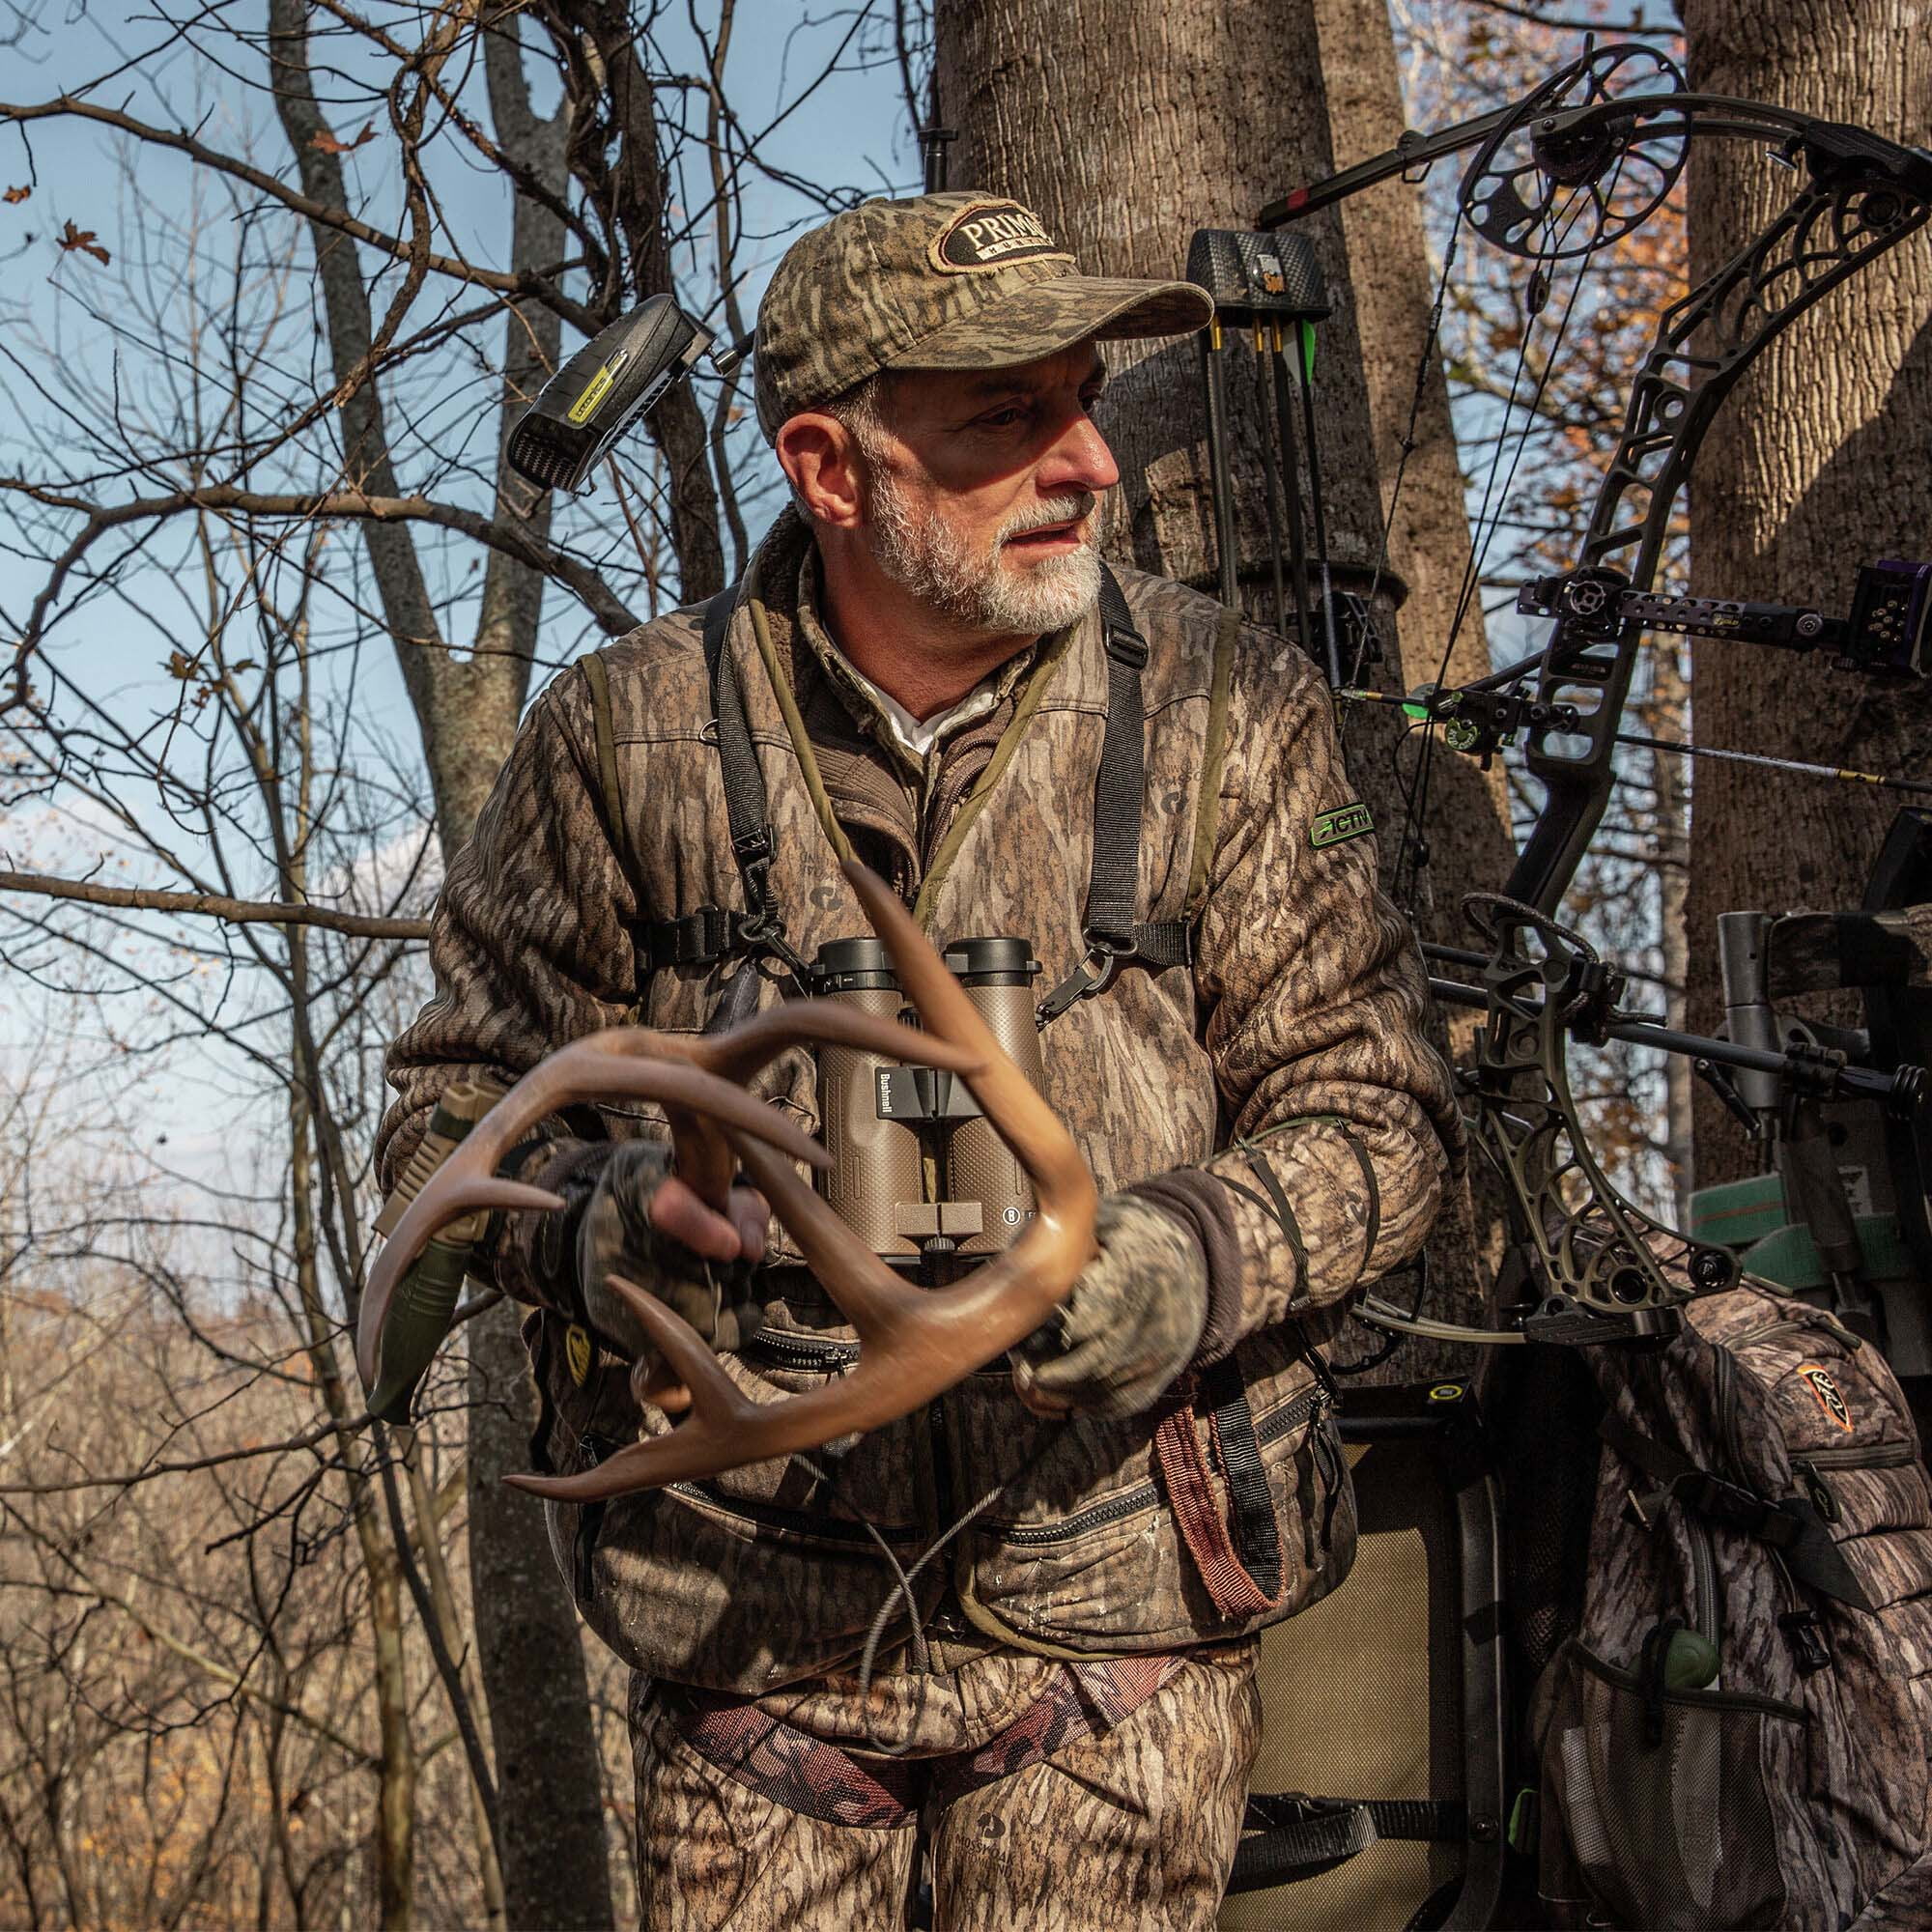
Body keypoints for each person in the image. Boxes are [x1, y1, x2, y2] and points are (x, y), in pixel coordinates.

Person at [379, 189, 1460, 1930]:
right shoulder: (624, 736)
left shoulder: (1220, 705)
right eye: (1005, 419)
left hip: (1118, 1649)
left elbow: (1383, 1109)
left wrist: (1188, 1261)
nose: (1091, 461)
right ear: (832, 467)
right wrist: (607, 1222)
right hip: (755, 1656)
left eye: (1083, 400)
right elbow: (445, 1117)